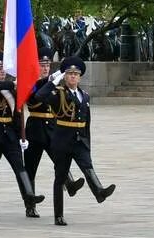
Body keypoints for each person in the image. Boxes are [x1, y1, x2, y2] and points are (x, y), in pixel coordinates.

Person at [38, 57, 115, 226]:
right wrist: (52, 82)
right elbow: (40, 96)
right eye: (70, 74)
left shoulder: (84, 96)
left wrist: (87, 142)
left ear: (80, 77)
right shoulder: (58, 94)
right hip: (62, 139)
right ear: (65, 77)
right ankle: (58, 215)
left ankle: (99, 191)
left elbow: (87, 122)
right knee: (60, 177)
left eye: (76, 74)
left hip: (80, 139)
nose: (73, 77)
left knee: (87, 165)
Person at [0, 52, 44, 219]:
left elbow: (17, 112)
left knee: (19, 167)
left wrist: (21, 135)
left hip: (10, 134)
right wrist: (13, 83)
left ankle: (29, 199)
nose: (2, 72)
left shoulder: (11, 88)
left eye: (3, 69)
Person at [24, 48, 84, 217]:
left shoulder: (55, 81)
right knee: (30, 167)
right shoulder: (31, 83)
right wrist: (50, 81)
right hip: (35, 127)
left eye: (48, 65)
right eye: (42, 65)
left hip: (51, 126)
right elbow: (35, 97)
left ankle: (69, 183)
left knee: (60, 159)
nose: (45, 68)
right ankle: (30, 204)